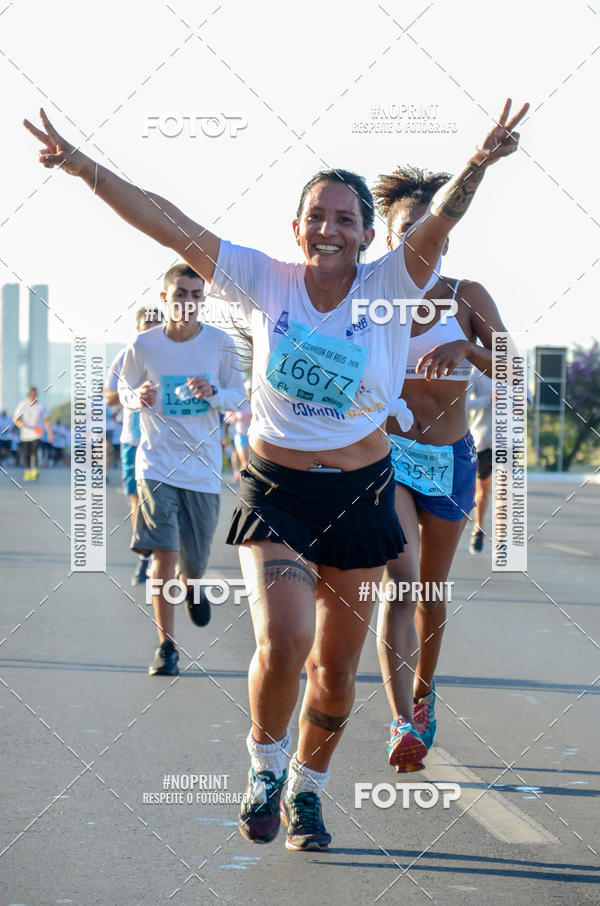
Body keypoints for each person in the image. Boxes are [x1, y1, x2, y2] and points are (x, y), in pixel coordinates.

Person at [25, 98, 528, 849]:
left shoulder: (390, 285)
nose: (329, 228)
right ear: (297, 229)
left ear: (365, 236)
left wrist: (478, 166)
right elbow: (167, 222)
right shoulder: (266, 281)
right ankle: (265, 763)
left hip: (359, 494)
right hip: (277, 491)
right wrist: (83, 167)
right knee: (285, 641)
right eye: (316, 216)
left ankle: (308, 790)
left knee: (332, 670)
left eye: (345, 219)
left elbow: (442, 221)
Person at [372, 166, 510, 772]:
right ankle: (401, 718)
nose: (421, 240)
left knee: (431, 591)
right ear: (387, 237)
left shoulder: (467, 296)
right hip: (389, 457)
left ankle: (424, 695)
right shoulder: (369, 296)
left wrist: (469, 349)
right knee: (400, 586)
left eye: (432, 229)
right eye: (407, 230)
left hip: (449, 459)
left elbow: (513, 371)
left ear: (447, 234)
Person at [117, 264, 245, 676]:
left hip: (203, 470)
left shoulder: (220, 344)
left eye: (195, 296)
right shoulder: (144, 345)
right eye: (180, 295)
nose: (187, 303)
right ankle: (166, 647)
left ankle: (193, 586)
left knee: (195, 561)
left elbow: (238, 398)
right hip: (156, 464)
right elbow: (123, 389)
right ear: (164, 299)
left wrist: (214, 394)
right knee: (164, 554)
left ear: (202, 301)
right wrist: (138, 396)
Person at [106, 305, 164, 585]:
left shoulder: (176, 355)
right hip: (133, 439)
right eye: (147, 325)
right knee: (137, 501)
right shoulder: (124, 357)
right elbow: (109, 397)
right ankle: (145, 555)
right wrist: (132, 392)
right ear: (138, 329)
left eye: (157, 324)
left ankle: (165, 555)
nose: (153, 330)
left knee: (166, 502)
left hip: (167, 441)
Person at [467, 366, 493, 554]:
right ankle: (479, 528)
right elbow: (464, 403)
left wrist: (518, 402)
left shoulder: (514, 367)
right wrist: (488, 400)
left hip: (508, 443)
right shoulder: (475, 373)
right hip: (483, 441)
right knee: (483, 492)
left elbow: (528, 399)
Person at [12, 387, 53, 481]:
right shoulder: (23, 404)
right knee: (26, 453)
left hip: (37, 433)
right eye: (31, 394)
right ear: (29, 394)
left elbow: (47, 421)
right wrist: (19, 423)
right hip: (25, 433)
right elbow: (15, 417)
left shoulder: (41, 406)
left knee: (34, 452)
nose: (33, 396)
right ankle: (27, 472)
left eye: (35, 394)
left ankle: (34, 470)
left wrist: (50, 434)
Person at [225, 380, 252, 480]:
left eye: (251, 390)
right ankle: (242, 478)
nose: (249, 392)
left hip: (252, 437)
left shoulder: (255, 404)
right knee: (245, 461)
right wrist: (233, 418)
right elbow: (227, 418)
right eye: (248, 390)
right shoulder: (238, 404)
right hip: (240, 436)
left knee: (250, 462)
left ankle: (244, 479)